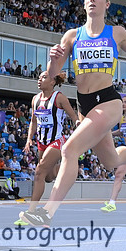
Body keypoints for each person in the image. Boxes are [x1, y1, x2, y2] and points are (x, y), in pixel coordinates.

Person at [20, 0, 126, 227]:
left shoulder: (116, 32)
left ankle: (47, 212)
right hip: (85, 104)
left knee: (70, 150)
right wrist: (52, 61)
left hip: (108, 100)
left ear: (106, 4)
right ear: (83, 4)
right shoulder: (71, 36)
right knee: (111, 161)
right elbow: (53, 75)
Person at [15, 71, 79, 225]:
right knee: (48, 177)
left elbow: (73, 115)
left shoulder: (59, 98)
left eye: (43, 77)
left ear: (52, 82)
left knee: (39, 172)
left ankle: (30, 212)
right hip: (41, 142)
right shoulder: (35, 99)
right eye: (39, 77)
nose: (39, 79)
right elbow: (34, 121)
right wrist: (29, 139)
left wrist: (78, 126)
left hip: (56, 141)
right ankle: (65, 169)